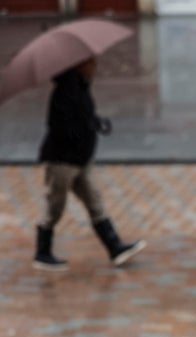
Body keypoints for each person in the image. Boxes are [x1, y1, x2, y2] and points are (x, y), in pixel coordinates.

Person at [33, 56, 146, 271]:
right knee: (54, 206)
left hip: (80, 160)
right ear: (79, 65)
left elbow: (84, 116)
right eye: (91, 63)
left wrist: (93, 122)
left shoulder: (80, 88)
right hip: (63, 161)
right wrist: (82, 131)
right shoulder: (65, 92)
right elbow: (60, 126)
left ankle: (115, 247)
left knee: (94, 201)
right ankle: (42, 253)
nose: (95, 67)